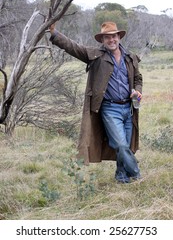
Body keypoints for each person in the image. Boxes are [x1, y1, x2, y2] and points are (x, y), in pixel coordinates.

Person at [49, 21, 143, 183]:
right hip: (109, 108)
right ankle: (136, 174)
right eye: (107, 37)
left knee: (126, 145)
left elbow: (137, 77)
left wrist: (137, 89)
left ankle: (121, 176)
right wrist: (54, 34)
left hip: (128, 108)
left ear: (119, 37)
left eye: (113, 36)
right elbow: (73, 47)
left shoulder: (130, 57)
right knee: (120, 145)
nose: (111, 40)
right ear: (102, 40)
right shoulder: (95, 55)